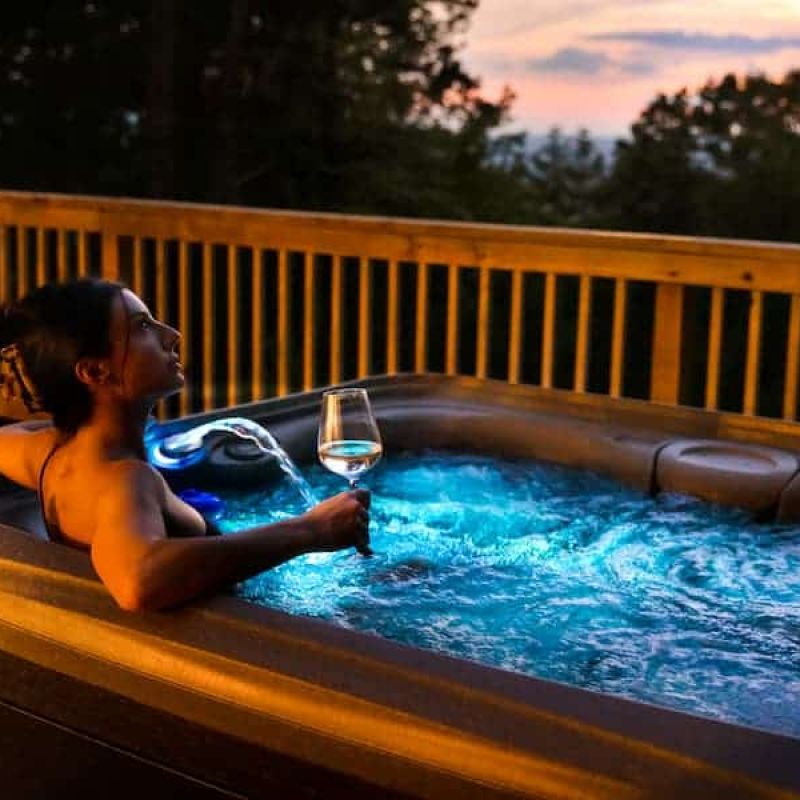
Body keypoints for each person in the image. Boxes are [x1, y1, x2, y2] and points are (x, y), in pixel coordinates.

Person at [0, 279, 370, 611]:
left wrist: (55, 400)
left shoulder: (50, 453)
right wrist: (309, 531)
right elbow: (136, 584)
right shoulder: (125, 479)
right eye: (142, 326)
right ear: (95, 371)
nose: (172, 335)